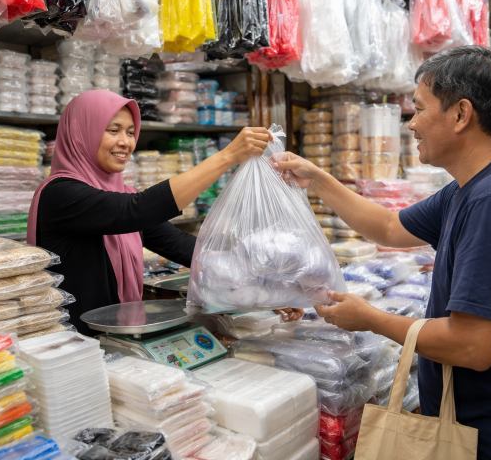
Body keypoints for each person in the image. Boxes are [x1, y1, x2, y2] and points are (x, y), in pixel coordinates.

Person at [274, 46, 491, 460]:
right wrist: (316, 178)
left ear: (461, 115)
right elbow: (389, 227)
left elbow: (473, 346)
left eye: (419, 109)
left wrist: (370, 318)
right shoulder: (475, 185)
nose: (411, 124)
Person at [27, 90, 303, 335]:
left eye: (130, 132)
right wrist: (227, 157)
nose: (126, 142)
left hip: (117, 335)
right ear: (81, 133)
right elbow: (135, 211)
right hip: (72, 343)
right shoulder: (59, 194)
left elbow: (183, 246)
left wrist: (266, 289)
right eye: (113, 130)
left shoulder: (124, 193)